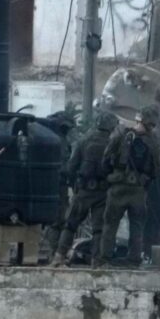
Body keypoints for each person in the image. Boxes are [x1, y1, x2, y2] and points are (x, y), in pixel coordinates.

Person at [50, 112, 120, 266]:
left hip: (83, 191)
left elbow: (71, 166)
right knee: (98, 229)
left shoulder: (84, 141)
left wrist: (74, 183)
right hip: (102, 192)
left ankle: (59, 257)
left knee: (70, 225)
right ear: (111, 126)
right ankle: (96, 261)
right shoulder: (113, 143)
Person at [97, 105, 160, 266]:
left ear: (138, 118)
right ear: (151, 124)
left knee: (110, 225)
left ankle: (104, 259)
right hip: (138, 191)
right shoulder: (153, 141)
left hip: (118, 187)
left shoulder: (120, 135)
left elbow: (105, 159)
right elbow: (158, 170)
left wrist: (110, 176)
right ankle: (133, 260)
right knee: (137, 226)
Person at [41, 111, 76, 257]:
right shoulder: (59, 141)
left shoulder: (52, 138)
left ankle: (52, 251)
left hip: (53, 184)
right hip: (57, 185)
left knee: (57, 219)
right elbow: (63, 166)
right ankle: (51, 252)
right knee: (57, 220)